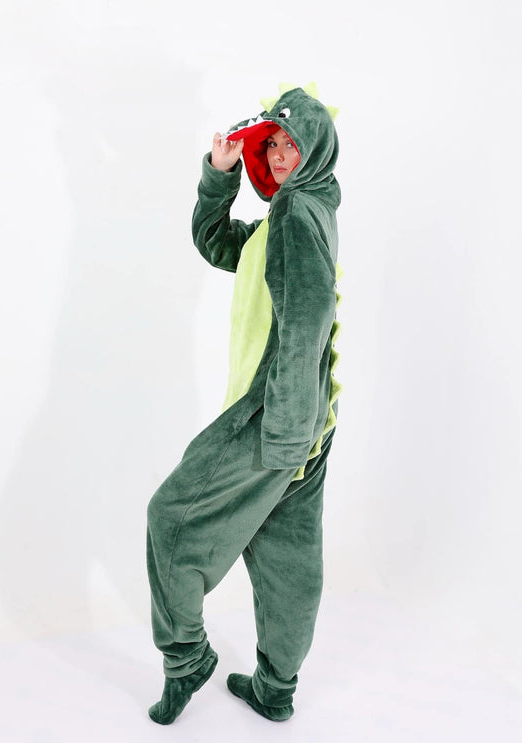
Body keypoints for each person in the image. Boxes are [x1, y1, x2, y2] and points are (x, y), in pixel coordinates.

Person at [146, 82, 342, 725]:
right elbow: (215, 241)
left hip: (275, 416)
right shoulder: (296, 214)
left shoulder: (296, 216)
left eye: (293, 145)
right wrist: (220, 173)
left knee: (170, 518)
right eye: (273, 144)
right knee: (288, 557)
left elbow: (308, 321)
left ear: (317, 150)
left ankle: (186, 657)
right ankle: (275, 689)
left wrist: (280, 435)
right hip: (311, 419)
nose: (280, 156)